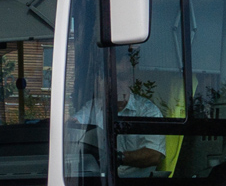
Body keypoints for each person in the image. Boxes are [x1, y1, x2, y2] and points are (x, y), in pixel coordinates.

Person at [70, 47, 166, 177]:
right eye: (111, 78)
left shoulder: (148, 110)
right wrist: (70, 125)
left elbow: (155, 155)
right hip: (101, 184)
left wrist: (116, 157)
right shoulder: (92, 107)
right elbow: (74, 125)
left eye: (122, 78)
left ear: (131, 80)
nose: (117, 84)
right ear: (100, 81)